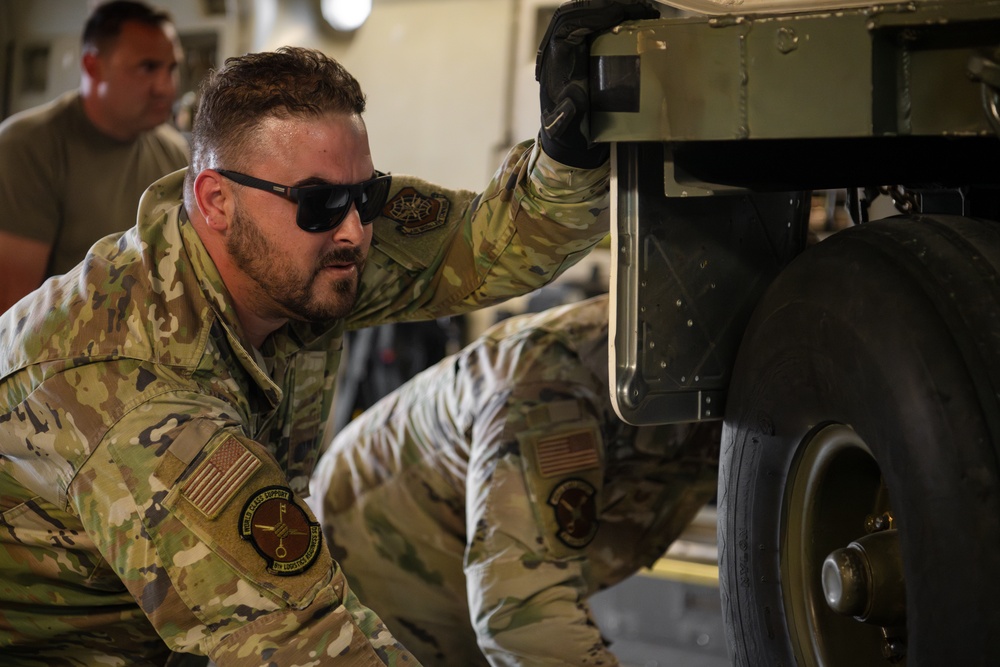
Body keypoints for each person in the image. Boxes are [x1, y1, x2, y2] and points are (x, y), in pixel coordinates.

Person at [0, 0, 659, 663]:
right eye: (320, 204)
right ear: (215, 201)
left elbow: (483, 245)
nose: (354, 231)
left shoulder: (300, 247)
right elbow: (308, 641)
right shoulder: (134, 393)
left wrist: (567, 149)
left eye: (366, 197)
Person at [308, 294, 721, 666]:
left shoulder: (698, 355)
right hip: (378, 549)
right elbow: (520, 613)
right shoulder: (555, 388)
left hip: (463, 551)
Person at [0, 0, 189, 313]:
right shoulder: (27, 147)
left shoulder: (174, 152)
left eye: (172, 68)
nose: (166, 87)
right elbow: (12, 311)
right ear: (92, 66)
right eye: (147, 67)